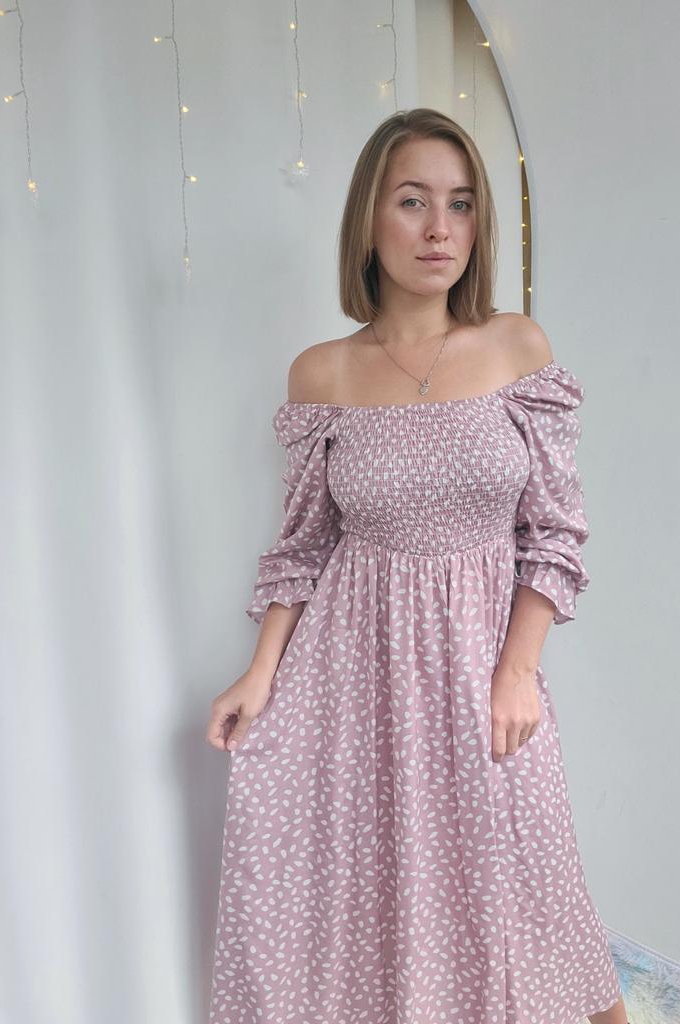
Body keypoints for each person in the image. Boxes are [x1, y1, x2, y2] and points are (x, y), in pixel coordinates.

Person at [206, 108, 630, 1024]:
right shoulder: (321, 374)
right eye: (413, 201)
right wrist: (261, 673)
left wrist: (518, 672)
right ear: (369, 218)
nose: (440, 228)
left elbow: (555, 531)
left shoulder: (516, 348)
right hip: (353, 680)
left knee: (531, 883)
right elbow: (304, 546)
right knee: (370, 899)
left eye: (461, 204)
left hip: (482, 668)